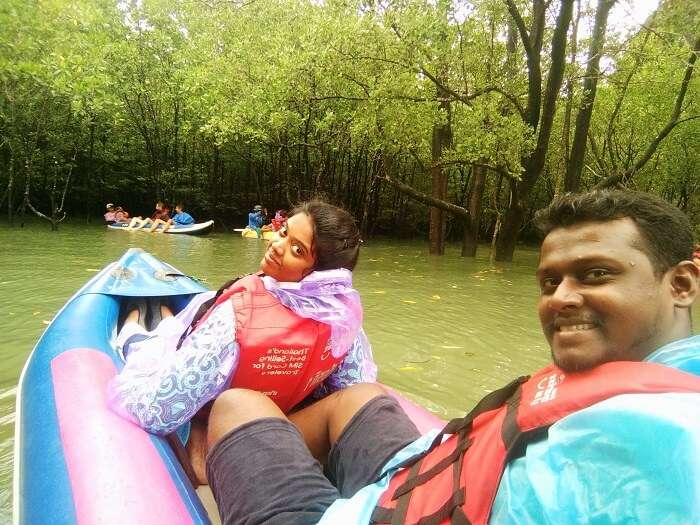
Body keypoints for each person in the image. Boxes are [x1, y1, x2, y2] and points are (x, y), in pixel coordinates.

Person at [203, 189, 700, 525]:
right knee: (360, 394)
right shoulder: (652, 373)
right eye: (551, 281)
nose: (561, 299)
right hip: (419, 477)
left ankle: (192, 471)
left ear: (680, 284)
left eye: (595, 274)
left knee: (236, 405)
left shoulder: (670, 439)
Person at [107, 200, 375, 484]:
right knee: (169, 322)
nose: (277, 245)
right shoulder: (345, 321)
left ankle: (133, 327)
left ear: (323, 275)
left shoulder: (235, 318)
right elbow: (350, 389)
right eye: (283, 232)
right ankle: (156, 317)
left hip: (225, 432)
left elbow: (155, 412)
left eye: (298, 250)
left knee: (141, 341)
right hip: (277, 419)